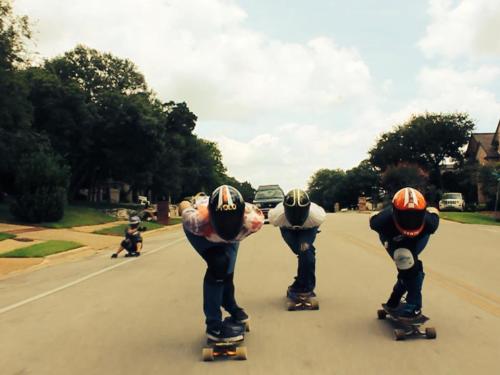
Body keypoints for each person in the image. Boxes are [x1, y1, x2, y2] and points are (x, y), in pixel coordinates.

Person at [179, 185, 264, 342]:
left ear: (242, 216)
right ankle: (214, 326)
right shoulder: (196, 221)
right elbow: (183, 205)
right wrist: (186, 202)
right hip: (204, 234)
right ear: (211, 216)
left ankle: (231, 306)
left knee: (227, 272)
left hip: (233, 237)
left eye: (232, 220)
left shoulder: (254, 220)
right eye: (222, 221)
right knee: (218, 264)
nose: (227, 224)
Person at [369, 187, 439, 320]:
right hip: (392, 239)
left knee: (410, 268)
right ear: (394, 211)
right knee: (406, 262)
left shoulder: (430, 223)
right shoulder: (382, 221)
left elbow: (434, 211)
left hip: (419, 239)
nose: (411, 220)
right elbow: (372, 217)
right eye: (405, 215)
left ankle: (396, 300)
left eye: (416, 215)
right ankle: (413, 305)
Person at [268, 189, 326, 298]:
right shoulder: (276, 216)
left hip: (308, 228)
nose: (297, 216)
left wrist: (307, 241)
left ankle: (307, 287)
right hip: (287, 229)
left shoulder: (317, 216)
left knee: (305, 251)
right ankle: (300, 281)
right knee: (299, 250)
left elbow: (315, 226)